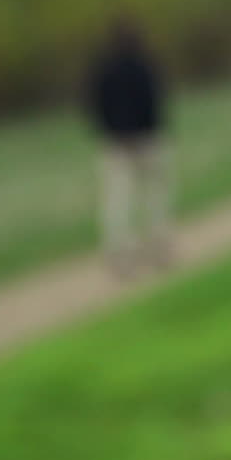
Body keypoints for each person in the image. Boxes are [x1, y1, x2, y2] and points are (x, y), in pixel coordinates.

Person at [84, 19, 172, 275]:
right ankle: (158, 246)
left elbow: (94, 106)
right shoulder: (144, 65)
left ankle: (121, 254)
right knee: (153, 196)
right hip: (146, 140)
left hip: (116, 144)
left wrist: (112, 131)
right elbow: (155, 101)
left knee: (118, 202)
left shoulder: (103, 70)